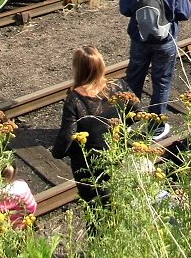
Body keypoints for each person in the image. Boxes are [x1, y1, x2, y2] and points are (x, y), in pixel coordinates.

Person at [118, 0, 191, 141]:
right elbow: (185, 13)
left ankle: (127, 122)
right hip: (165, 41)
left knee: (134, 79)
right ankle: (155, 127)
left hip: (139, 39)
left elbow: (125, 9)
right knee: (161, 81)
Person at [51, 45, 138, 208]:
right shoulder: (119, 86)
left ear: (77, 70)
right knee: (120, 207)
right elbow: (136, 112)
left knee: (97, 214)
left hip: (89, 169)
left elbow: (66, 139)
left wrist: (57, 153)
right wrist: (116, 129)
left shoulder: (74, 100)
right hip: (118, 158)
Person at [0, 163, 37, 229]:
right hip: (24, 220)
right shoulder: (22, 186)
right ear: (15, 171)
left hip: (4, 225)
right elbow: (32, 206)